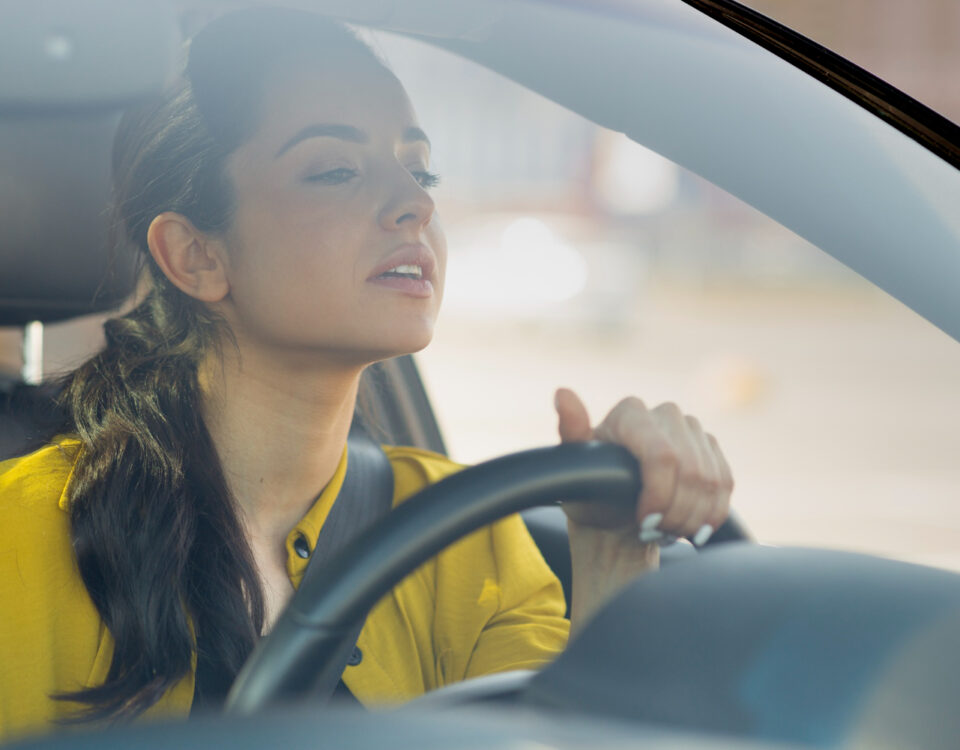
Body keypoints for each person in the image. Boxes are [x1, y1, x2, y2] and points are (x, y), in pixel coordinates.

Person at [0, 8, 732, 741]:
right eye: (335, 170)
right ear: (196, 255)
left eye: (421, 170)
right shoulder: (18, 537)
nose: (415, 204)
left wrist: (611, 558)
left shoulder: (467, 537)